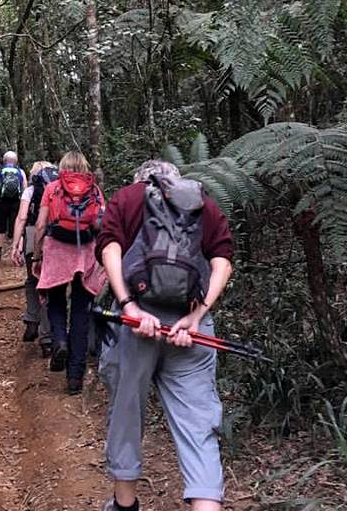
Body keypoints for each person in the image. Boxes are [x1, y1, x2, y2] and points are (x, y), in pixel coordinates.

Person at [95, 159, 234, 511]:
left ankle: (125, 505)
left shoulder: (128, 198)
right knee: (199, 426)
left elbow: (109, 247)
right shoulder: (203, 204)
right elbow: (223, 260)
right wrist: (197, 315)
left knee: (127, 414)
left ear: (143, 180)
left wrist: (128, 305)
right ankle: (207, 505)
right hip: (192, 331)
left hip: (135, 324)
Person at [32, 151, 106, 395]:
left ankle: (59, 341)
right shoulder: (94, 190)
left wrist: (37, 254)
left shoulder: (52, 187)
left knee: (54, 301)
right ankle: (75, 378)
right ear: (84, 166)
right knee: (81, 313)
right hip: (85, 253)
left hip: (56, 251)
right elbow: (100, 224)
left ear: (62, 166)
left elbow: (41, 224)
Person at [11, 159, 57, 353]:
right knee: (50, 286)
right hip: (58, 238)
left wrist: (15, 245)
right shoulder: (60, 187)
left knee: (32, 280)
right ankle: (47, 337)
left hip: (33, 235)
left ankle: (32, 321)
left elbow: (22, 218)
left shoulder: (31, 190)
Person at [0, 150, 27, 262]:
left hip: (0, 202)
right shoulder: (20, 171)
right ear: (16, 161)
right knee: (17, 226)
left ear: (4, 160)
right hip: (16, 203)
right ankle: (19, 252)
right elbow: (25, 187)